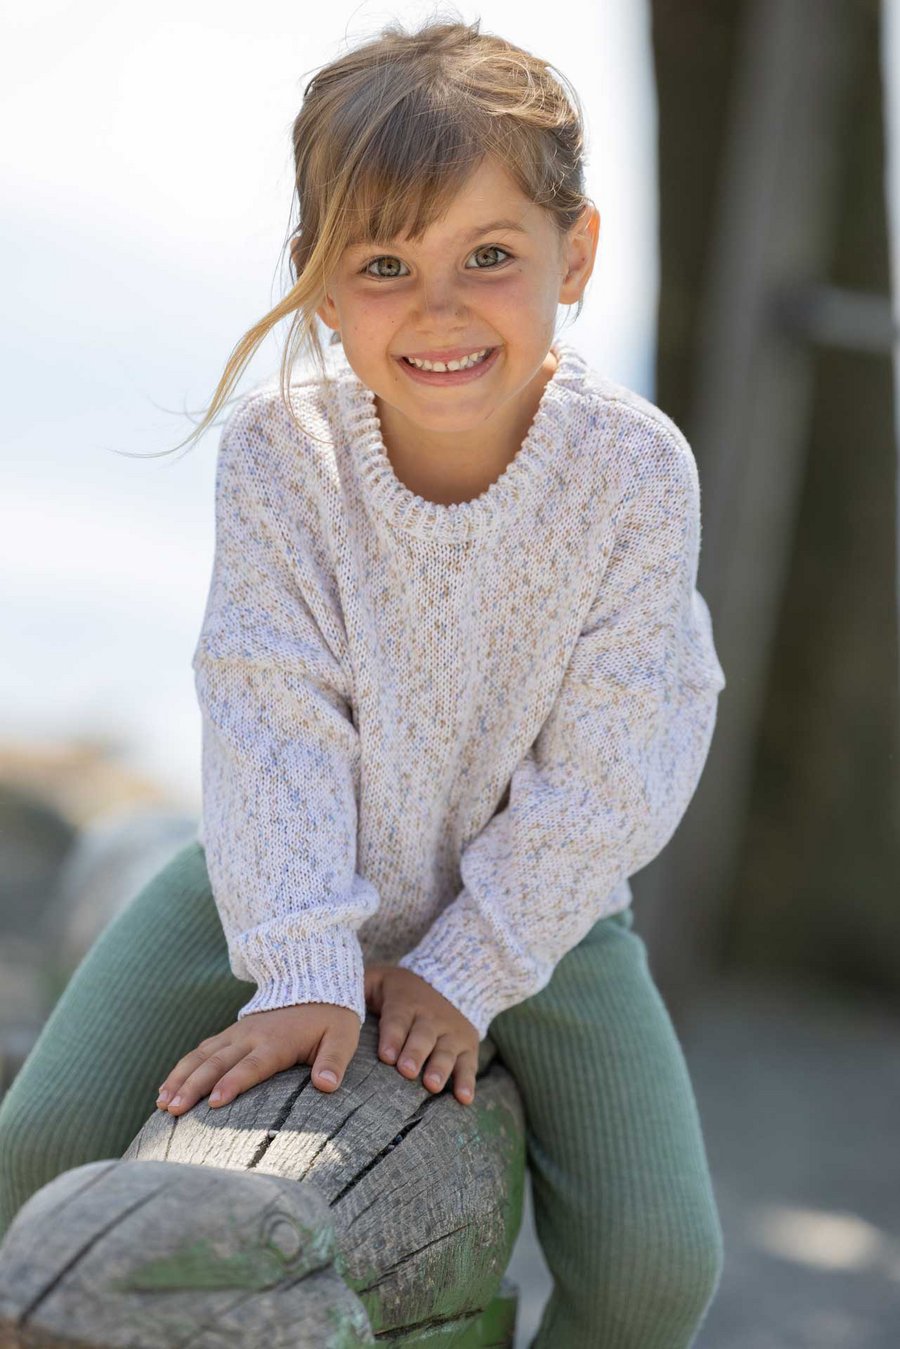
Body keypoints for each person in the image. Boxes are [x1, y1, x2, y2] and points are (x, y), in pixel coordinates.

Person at [0, 17, 728, 1346]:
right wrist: (301, 965)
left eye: (491, 257)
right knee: (33, 1140)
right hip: (274, 870)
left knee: (660, 1264)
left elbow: (622, 757)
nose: (441, 308)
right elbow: (267, 713)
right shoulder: (284, 458)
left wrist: (469, 964)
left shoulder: (634, 476)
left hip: (540, 911)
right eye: (385, 262)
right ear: (319, 281)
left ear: (580, 255)